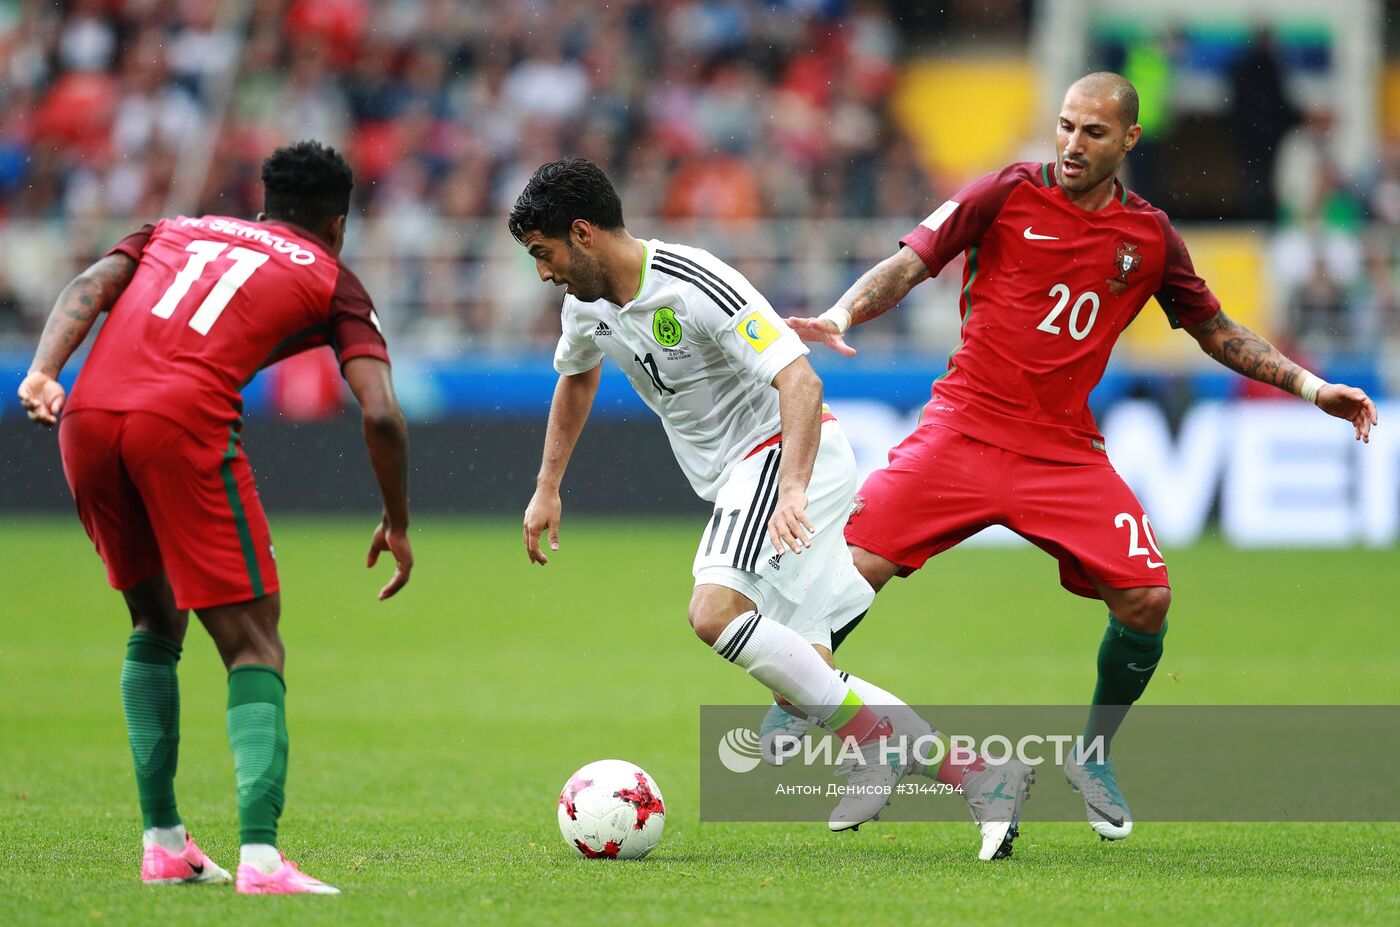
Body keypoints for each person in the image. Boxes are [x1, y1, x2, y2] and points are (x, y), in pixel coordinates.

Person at [786, 72, 1378, 842]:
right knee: (841, 580)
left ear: (1129, 140)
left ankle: (1092, 754)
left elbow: (1214, 328)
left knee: (1149, 601)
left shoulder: (1150, 237)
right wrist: (840, 311)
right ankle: (821, 706)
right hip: (961, 429)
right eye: (1065, 126)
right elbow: (911, 260)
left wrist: (1308, 384)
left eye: (1092, 132)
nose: (1071, 144)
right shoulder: (1005, 191)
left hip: (1061, 451)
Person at [510, 158, 1031, 859]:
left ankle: (881, 742)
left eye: (545, 253)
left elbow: (801, 381)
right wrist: (548, 485)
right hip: (749, 475)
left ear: (583, 233)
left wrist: (789, 486)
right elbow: (576, 377)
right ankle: (979, 773)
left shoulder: (696, 285)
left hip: (779, 456)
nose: (543, 272)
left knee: (713, 612)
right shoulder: (585, 305)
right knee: (811, 674)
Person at [17, 140, 414, 893]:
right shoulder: (332, 277)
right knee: (255, 642)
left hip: (89, 418)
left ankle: (164, 843)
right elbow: (384, 415)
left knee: (154, 624)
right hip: (182, 423)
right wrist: (397, 519)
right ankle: (261, 858)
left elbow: (92, 281)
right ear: (338, 222)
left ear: (264, 203)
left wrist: (44, 369)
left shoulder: (173, 228)